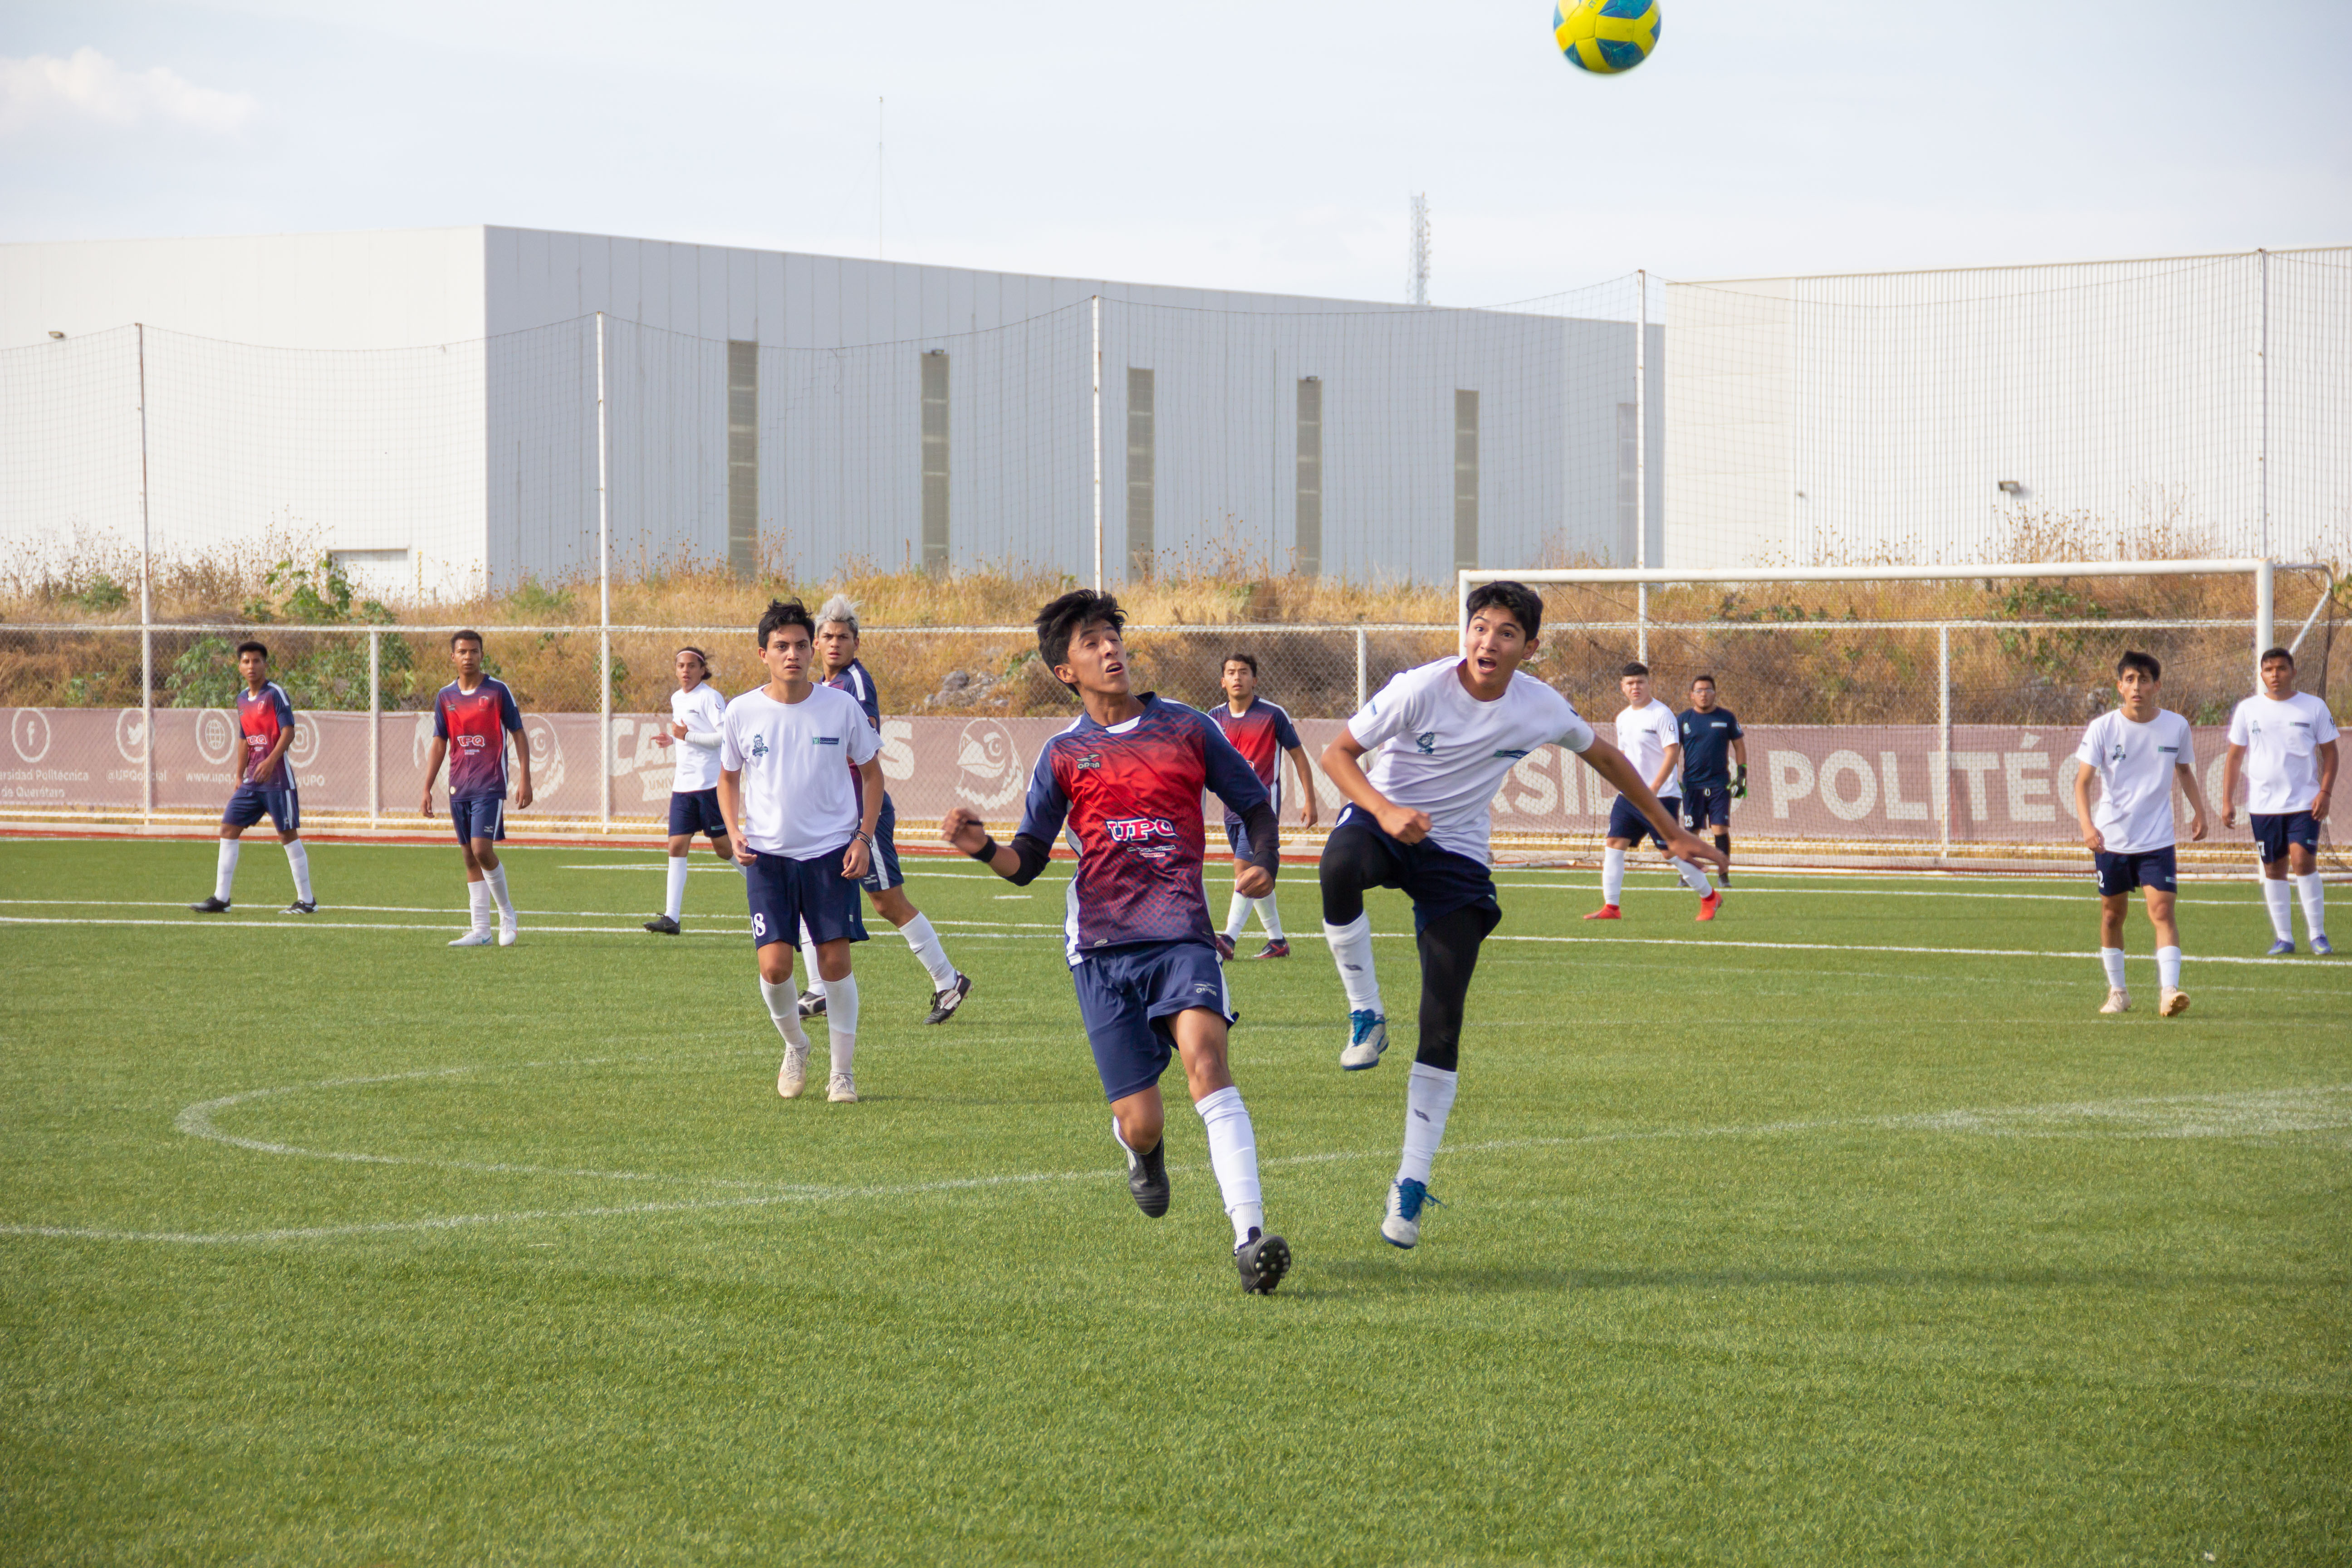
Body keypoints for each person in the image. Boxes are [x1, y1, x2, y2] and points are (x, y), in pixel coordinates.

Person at [1317, 581, 1724, 1250]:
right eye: (1480, 627)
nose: (1488, 642)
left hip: (1458, 854)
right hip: (1384, 820)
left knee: (1443, 1021)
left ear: (1529, 648)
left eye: (1506, 633)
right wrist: (1386, 811)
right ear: (1466, 634)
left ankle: (1410, 1184)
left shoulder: (1540, 705)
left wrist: (1670, 832)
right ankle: (1365, 1011)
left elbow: (1606, 757)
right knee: (1339, 868)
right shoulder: (1419, 687)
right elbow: (1339, 754)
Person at [941, 589, 1292, 1295]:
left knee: (1207, 1064)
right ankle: (1143, 1155)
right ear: (1065, 670)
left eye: (1113, 638)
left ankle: (1249, 1239)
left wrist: (1262, 862)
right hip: (1101, 951)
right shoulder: (1065, 754)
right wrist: (983, 849)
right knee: (1141, 1121)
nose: (1110, 650)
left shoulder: (1187, 729)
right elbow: (1030, 862)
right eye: (1091, 643)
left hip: (1183, 938)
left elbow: (1254, 805)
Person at [718, 599, 884, 1105]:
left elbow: (873, 774)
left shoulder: (841, 707)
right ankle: (796, 1045)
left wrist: (863, 838)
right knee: (775, 969)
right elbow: (727, 778)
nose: (793, 654)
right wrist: (734, 829)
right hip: (767, 857)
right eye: (781, 646)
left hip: (831, 854)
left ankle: (843, 1073)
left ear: (813, 651)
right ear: (763, 653)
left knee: (834, 964)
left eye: (801, 645)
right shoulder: (742, 711)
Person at [792, 597, 972, 1023]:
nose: (835, 644)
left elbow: (863, 746)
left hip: (859, 812)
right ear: (816, 643)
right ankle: (819, 987)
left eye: (843, 637)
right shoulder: (825, 684)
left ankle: (949, 981)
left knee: (887, 902)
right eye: (828, 637)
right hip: (829, 812)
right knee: (806, 892)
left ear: (857, 642)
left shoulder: (852, 684)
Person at [2073, 650, 2212, 1016]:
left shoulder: (2176, 726)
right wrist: (2088, 825)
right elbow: (2082, 782)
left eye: (2144, 680)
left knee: (2163, 910)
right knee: (2111, 916)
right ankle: (2118, 992)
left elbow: (2184, 771)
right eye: (2130, 680)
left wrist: (2200, 811)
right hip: (2112, 839)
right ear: (2120, 687)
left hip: (2157, 839)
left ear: (2157, 686)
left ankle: (2169, 992)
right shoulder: (2103, 728)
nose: (2137, 687)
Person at [2221, 647, 2337, 956]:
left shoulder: (2313, 707)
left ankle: (2318, 934)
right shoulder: (2248, 709)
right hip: (2263, 806)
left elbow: (2330, 753)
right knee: (2273, 869)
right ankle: (2284, 938)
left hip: (2304, 803)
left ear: (2293, 672)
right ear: (2261, 674)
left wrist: (2324, 793)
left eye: (2282, 669)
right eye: (2269, 669)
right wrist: (2227, 801)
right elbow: (2234, 758)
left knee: (2303, 862)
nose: (2275, 675)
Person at [419, 631, 531, 947]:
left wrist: (525, 777)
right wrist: (427, 786)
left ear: (482, 655)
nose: (468, 657)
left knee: (483, 850)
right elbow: (440, 742)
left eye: (474, 651)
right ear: (452, 657)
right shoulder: (445, 696)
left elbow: (519, 733)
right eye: (462, 652)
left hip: (490, 784)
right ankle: (481, 930)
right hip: (459, 785)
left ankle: (507, 914)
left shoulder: (497, 691)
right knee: (469, 856)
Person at [188, 640, 317, 916]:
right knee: (228, 828)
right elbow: (244, 739)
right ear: (239, 666)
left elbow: (289, 732)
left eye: (257, 661)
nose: (251, 666)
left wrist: (271, 761)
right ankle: (222, 899)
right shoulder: (242, 699)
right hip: (252, 782)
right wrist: (238, 774)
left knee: (287, 835)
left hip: (278, 780)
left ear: (265, 664)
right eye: (246, 661)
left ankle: (307, 901)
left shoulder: (275, 695)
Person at [1588, 662, 1720, 922]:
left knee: (1670, 852)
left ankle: (1710, 897)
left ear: (1649, 684)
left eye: (1640, 682)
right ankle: (1611, 908)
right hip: (1630, 795)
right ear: (1623, 687)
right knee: (1614, 844)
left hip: (1662, 796)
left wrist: (1655, 787)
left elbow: (1672, 751)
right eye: (1630, 683)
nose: (1635, 687)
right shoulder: (1623, 718)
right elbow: (1624, 756)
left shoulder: (1661, 714)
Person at [1208, 652, 1319, 958]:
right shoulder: (1214, 718)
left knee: (1245, 868)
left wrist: (1309, 799)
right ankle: (1278, 942)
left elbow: (1298, 755)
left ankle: (1228, 940)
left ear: (1254, 679)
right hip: (1231, 810)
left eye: (1243, 672)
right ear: (1222, 681)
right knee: (1257, 875)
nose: (1237, 677)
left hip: (1261, 808)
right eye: (1231, 672)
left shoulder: (1273, 714)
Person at [644, 647, 737, 936]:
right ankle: (672, 917)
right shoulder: (677, 698)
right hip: (683, 787)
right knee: (676, 846)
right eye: (681, 666)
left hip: (710, 786)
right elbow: (686, 734)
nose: (685, 671)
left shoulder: (710, 698)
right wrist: (673, 740)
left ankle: (768, 886)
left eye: (691, 666)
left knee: (725, 850)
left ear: (702, 669)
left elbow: (725, 737)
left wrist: (687, 736)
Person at [1676, 674, 1747, 886]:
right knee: (1691, 831)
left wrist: (1742, 775)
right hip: (1692, 785)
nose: (1704, 694)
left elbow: (1740, 746)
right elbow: (1673, 750)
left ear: (1715, 693)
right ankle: (1687, 876)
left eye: (1708, 690)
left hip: (1719, 784)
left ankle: (1723, 875)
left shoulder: (1727, 718)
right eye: (1699, 691)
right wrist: (1672, 777)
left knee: (1720, 829)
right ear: (1692, 695)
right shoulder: (1683, 720)